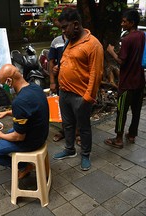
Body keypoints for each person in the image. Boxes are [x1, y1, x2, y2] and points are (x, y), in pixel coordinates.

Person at [52, 8, 104, 171]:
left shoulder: (93, 44)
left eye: (64, 27)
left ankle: (86, 154)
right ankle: (69, 149)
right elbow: (72, 64)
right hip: (64, 92)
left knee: (83, 127)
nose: (63, 31)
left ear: (75, 24)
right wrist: (57, 70)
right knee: (67, 124)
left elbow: (96, 74)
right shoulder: (69, 41)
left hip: (81, 96)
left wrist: (87, 98)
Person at [0, 64, 49, 179]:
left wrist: (0, 135)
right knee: (10, 132)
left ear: (9, 81)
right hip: (41, 134)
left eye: (3, 85)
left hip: (31, 141)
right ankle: (23, 163)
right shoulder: (35, 88)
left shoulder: (19, 101)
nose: (4, 88)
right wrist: (7, 113)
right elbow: (30, 110)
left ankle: (24, 165)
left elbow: (18, 137)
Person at [104, 9, 145, 149]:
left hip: (127, 82)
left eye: (124, 21)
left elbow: (121, 61)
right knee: (136, 111)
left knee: (121, 111)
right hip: (139, 81)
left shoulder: (127, 39)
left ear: (131, 23)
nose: (122, 24)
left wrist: (111, 51)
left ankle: (119, 139)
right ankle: (132, 135)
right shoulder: (141, 35)